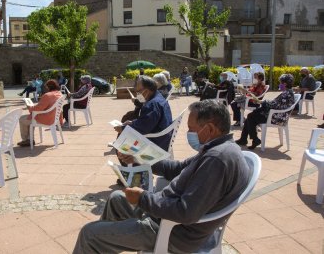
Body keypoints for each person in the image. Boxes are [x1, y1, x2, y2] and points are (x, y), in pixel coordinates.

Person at [73, 100, 251, 254]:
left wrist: (143, 198)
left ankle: (97, 243)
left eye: (192, 129)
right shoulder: (220, 148)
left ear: (210, 128)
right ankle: (104, 245)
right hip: (165, 216)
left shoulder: (216, 160)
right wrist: (139, 158)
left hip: (171, 231)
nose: (190, 134)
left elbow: (185, 212)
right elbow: (178, 168)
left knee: (89, 233)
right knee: (116, 198)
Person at [115, 76, 172, 156]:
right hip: (162, 138)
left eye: (138, 92)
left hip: (155, 143)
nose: (137, 94)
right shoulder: (158, 97)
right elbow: (146, 121)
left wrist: (122, 128)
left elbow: (143, 127)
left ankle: (133, 167)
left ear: (146, 91)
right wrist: (132, 122)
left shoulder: (152, 104)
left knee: (120, 147)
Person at [236, 74, 296, 149]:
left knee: (251, 117)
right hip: (275, 114)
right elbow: (275, 103)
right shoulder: (287, 92)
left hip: (277, 117)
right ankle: (247, 139)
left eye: (281, 83)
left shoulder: (286, 94)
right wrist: (260, 101)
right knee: (251, 116)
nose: (280, 85)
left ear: (285, 84)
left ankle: (253, 139)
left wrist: (260, 102)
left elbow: (275, 105)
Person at [17, 80, 63, 147]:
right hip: (54, 118)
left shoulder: (47, 95)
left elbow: (38, 109)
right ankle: (29, 139)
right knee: (29, 119)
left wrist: (29, 107)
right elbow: (43, 106)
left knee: (22, 119)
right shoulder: (59, 93)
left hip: (46, 119)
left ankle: (26, 140)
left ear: (48, 87)